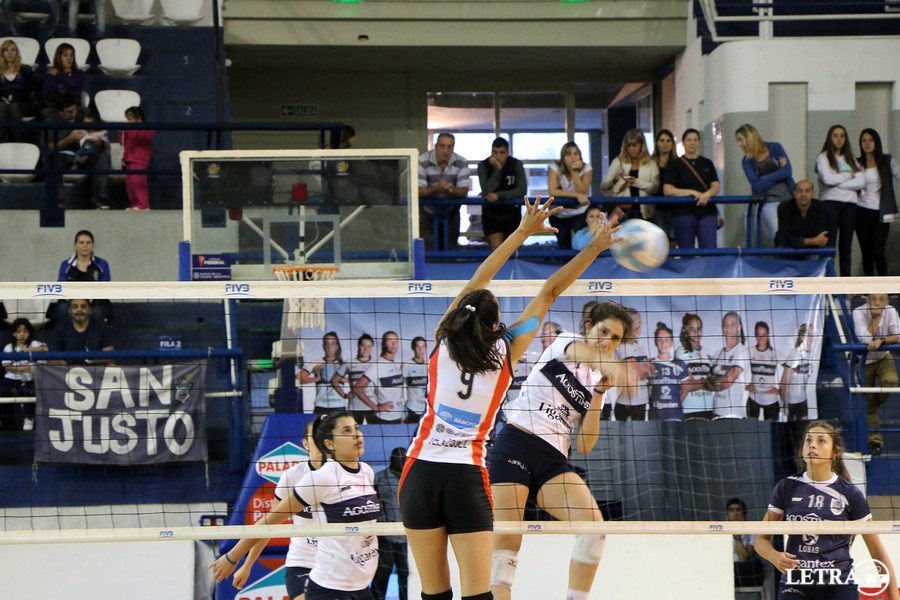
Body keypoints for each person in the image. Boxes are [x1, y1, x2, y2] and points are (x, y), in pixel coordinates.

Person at [399, 196, 619, 600]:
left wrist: (520, 231)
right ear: (497, 325)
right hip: (465, 475)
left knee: (434, 594)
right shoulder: (506, 351)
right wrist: (593, 247)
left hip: (419, 473)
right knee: (478, 595)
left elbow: (478, 280)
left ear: (460, 315)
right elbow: (550, 291)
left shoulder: (443, 338)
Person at [491, 300, 631, 600]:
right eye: (603, 331)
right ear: (588, 326)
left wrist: (599, 393)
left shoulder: (599, 381)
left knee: (594, 530)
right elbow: (584, 353)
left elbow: (585, 445)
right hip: (516, 443)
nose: (607, 341)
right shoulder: (566, 341)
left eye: (615, 338)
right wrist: (619, 369)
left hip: (552, 461)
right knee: (506, 548)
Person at [210, 411, 381, 600]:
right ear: (318, 443)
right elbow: (269, 523)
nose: (356, 435)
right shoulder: (304, 477)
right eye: (347, 431)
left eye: (356, 428)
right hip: (309, 564)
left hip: (351, 573)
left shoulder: (363, 472)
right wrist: (241, 560)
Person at [755, 420, 900, 600]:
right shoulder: (787, 487)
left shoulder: (850, 494)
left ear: (835, 452)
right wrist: (774, 556)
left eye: (821, 441)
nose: (812, 445)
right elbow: (760, 540)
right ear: (802, 450)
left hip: (838, 582)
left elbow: (877, 552)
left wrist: (895, 597)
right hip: (797, 581)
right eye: (808, 440)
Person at [226, 417, 325, 598]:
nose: (321, 442)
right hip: (303, 561)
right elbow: (269, 524)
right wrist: (247, 565)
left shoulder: (345, 475)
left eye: (325, 436)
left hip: (337, 561)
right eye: (315, 437)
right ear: (305, 444)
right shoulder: (293, 476)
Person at [852, 294, 899, 456]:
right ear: (867, 300)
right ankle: (875, 442)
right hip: (864, 361)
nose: (877, 302)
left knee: (891, 382)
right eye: (873, 299)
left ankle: (873, 403)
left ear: (887, 301)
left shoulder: (891, 310)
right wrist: (877, 318)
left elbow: (898, 335)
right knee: (868, 405)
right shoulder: (858, 312)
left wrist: (882, 341)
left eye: (881, 299)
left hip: (884, 356)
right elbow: (865, 338)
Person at [816, 124, 864, 277]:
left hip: (850, 205)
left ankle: (845, 283)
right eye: (835, 135)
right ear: (830, 138)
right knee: (829, 244)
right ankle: (827, 281)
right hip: (830, 203)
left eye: (842, 136)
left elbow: (861, 181)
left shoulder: (851, 159)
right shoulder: (823, 157)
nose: (839, 139)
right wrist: (848, 176)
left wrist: (839, 183)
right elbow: (827, 179)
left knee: (846, 246)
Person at [46, 93, 110, 209]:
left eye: (75, 109)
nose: (73, 114)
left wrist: (97, 142)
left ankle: (100, 200)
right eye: (69, 112)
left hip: (87, 154)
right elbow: (50, 146)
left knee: (103, 157)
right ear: (60, 111)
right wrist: (70, 138)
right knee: (52, 159)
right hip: (64, 155)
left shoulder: (85, 114)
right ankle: (57, 202)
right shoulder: (51, 120)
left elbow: (102, 139)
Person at [735, 124, 795, 246]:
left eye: (740, 140)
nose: (739, 144)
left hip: (789, 198)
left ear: (750, 137)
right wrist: (779, 171)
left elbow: (788, 171)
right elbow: (757, 186)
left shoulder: (775, 147)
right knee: (779, 235)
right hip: (769, 201)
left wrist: (764, 178)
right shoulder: (747, 161)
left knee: (795, 234)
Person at [663, 128, 720, 249]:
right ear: (683, 142)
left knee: (709, 251)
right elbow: (668, 189)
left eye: (695, 140)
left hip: (707, 211)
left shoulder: (707, 163)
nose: (692, 143)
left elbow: (716, 186)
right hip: (683, 212)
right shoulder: (675, 165)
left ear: (699, 142)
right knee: (686, 252)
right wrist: (692, 192)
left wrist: (707, 194)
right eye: (689, 140)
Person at [856, 128, 900, 276]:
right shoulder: (857, 163)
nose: (867, 143)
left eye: (870, 140)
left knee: (878, 251)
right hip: (861, 211)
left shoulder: (887, 160)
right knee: (866, 253)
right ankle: (868, 286)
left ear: (876, 142)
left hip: (880, 212)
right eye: (864, 140)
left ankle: (883, 285)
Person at [418, 133, 471, 251]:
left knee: (451, 249)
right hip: (427, 212)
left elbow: (464, 191)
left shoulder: (461, 162)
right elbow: (418, 191)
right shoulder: (422, 161)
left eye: (449, 147)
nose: (445, 150)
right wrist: (437, 188)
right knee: (428, 251)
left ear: (453, 148)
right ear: (436, 146)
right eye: (442, 146)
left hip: (451, 212)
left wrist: (449, 188)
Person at [477, 137, 527, 250]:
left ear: (508, 152)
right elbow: (486, 190)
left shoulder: (516, 164)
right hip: (491, 213)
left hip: (512, 212)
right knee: (497, 248)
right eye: (495, 152)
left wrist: (499, 195)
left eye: (502, 153)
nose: (498, 156)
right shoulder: (483, 165)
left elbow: (522, 190)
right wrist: (497, 170)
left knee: (512, 249)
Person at [373, 447, 409, 600]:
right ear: (391, 460)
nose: (401, 462)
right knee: (382, 574)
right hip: (385, 537)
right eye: (398, 459)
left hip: (406, 537)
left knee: (406, 575)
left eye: (403, 459)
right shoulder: (379, 478)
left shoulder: (411, 478)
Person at [600, 129, 659, 221]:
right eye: (629, 146)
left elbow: (655, 187)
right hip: (621, 211)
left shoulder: (651, 164)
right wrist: (615, 180)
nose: (631, 149)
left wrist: (635, 182)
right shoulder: (618, 162)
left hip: (644, 212)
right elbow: (603, 186)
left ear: (641, 145)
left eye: (634, 145)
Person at [0, 317, 46, 431]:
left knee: (27, 391)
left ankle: (29, 417)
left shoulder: (34, 344)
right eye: (18, 332)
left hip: (28, 378)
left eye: (25, 332)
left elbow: (45, 349)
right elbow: (7, 366)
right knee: (1, 390)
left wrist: (28, 350)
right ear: (13, 334)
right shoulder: (9, 347)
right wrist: (21, 369)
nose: (22, 334)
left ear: (29, 333)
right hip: (11, 377)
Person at [547, 141, 593, 249]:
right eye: (568, 154)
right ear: (563, 157)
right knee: (563, 245)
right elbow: (553, 191)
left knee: (581, 245)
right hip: (558, 213)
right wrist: (576, 195)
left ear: (580, 156)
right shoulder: (555, 166)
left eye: (576, 154)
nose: (573, 157)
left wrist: (574, 171)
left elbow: (582, 191)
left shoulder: (586, 168)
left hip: (579, 212)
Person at [351, 331, 404, 424]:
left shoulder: (395, 364)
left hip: (398, 417)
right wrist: (376, 407)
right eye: (389, 341)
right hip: (384, 419)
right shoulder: (377, 366)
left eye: (396, 341)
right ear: (383, 344)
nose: (393, 344)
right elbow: (357, 389)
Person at [707, 311, 750, 419]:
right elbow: (706, 384)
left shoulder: (741, 351)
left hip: (734, 413)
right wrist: (717, 381)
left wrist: (714, 379)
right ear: (722, 328)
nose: (728, 328)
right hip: (716, 411)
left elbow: (729, 381)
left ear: (739, 327)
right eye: (725, 325)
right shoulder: (718, 354)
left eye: (732, 324)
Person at [46, 299, 114, 365]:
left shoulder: (102, 327)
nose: (79, 310)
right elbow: (51, 359)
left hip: (95, 370)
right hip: (67, 371)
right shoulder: (60, 329)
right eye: (75, 307)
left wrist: (96, 362)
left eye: (83, 306)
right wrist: (60, 362)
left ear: (90, 310)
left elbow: (109, 356)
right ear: (69, 311)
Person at [297, 332, 350, 415]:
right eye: (327, 343)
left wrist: (340, 379)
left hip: (339, 407)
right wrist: (316, 378)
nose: (329, 347)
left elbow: (358, 380)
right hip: (321, 407)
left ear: (337, 346)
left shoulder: (343, 364)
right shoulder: (315, 363)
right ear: (323, 346)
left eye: (332, 344)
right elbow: (298, 378)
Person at [675, 312, 714, 420]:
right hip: (689, 409)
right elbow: (687, 385)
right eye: (692, 329)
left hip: (708, 407)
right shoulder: (680, 352)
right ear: (686, 330)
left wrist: (700, 383)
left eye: (699, 328)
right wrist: (706, 382)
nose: (696, 332)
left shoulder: (708, 353)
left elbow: (712, 382)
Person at [647, 322, 688, 421]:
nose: (663, 343)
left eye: (666, 340)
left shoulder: (680, 364)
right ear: (655, 342)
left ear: (671, 342)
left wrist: (674, 406)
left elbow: (685, 390)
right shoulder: (649, 364)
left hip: (675, 416)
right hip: (656, 416)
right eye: (659, 340)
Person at [775, 179, 829, 249]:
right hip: (788, 249)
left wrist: (800, 241)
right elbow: (784, 238)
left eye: (807, 191)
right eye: (800, 191)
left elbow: (822, 238)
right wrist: (814, 241)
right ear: (794, 194)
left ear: (813, 193)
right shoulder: (784, 208)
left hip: (812, 249)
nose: (803, 194)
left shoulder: (822, 208)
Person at [726, 498, 765, 591]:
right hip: (726, 567)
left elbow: (744, 558)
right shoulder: (720, 530)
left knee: (752, 564)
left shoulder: (753, 530)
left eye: (738, 510)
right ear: (727, 515)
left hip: (745, 570)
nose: (735, 513)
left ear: (744, 513)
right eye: (731, 510)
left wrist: (737, 536)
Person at [39, 43, 84, 122]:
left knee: (84, 112)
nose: (69, 58)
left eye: (71, 56)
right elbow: (45, 93)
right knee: (47, 113)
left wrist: (58, 75)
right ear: (59, 57)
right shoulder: (50, 75)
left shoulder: (78, 74)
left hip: (73, 108)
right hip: (57, 108)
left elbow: (73, 84)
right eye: (65, 55)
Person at [0, 39, 34, 141]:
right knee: (2, 106)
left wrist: (14, 98)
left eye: (13, 50)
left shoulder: (25, 70)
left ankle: (18, 143)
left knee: (13, 106)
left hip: (21, 104)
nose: (9, 53)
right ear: (2, 53)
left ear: (17, 52)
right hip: (2, 104)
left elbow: (28, 91)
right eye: (6, 50)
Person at [121, 106, 155, 211]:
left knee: (138, 182)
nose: (128, 122)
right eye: (127, 120)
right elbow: (123, 142)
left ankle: (143, 204)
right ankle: (135, 204)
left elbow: (140, 138)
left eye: (130, 119)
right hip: (129, 158)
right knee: (130, 184)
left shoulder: (147, 129)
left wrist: (129, 130)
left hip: (139, 159)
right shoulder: (128, 130)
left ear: (139, 118)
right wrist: (122, 133)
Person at [780, 324, 813, 422]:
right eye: (809, 335)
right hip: (792, 402)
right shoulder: (795, 354)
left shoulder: (812, 354)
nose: (811, 338)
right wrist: (784, 404)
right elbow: (784, 382)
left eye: (812, 335)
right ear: (802, 337)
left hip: (804, 400)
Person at [747, 321, 780, 422]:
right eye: (758, 334)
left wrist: (780, 390)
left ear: (768, 335)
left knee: (772, 430)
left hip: (771, 400)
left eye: (764, 334)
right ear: (755, 336)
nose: (761, 338)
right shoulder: (749, 351)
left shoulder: (774, 353)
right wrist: (746, 386)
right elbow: (737, 369)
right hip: (753, 399)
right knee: (751, 429)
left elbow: (790, 368)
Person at [651, 129, 677, 241]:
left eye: (668, 140)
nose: (665, 144)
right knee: (660, 241)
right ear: (657, 143)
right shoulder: (649, 162)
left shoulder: (678, 163)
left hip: (675, 207)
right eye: (662, 140)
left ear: (672, 144)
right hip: (656, 207)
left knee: (674, 241)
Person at [345, 333, 375, 424]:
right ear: (358, 346)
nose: (366, 349)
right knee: (353, 432)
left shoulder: (376, 364)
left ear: (372, 348)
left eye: (369, 346)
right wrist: (344, 395)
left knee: (375, 432)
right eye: (363, 346)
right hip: (355, 407)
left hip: (372, 406)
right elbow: (335, 380)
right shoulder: (349, 363)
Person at [402, 336, 427, 424]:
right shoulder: (407, 365)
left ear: (425, 348)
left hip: (426, 409)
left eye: (422, 347)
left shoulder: (429, 365)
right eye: (418, 347)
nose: (420, 350)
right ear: (413, 348)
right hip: (411, 409)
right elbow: (400, 387)